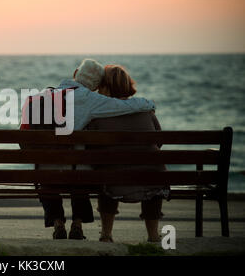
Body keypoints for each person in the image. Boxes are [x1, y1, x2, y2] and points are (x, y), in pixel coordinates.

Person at [21, 59, 157, 239]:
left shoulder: (39, 97)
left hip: (44, 172)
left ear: (76, 73)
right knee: (81, 167)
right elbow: (123, 106)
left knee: (49, 170)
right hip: (77, 174)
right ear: (96, 86)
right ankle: (77, 223)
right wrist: (149, 104)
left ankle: (57, 222)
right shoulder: (90, 99)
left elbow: (24, 139)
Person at [85, 64, 169, 242]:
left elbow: (91, 149)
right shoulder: (145, 111)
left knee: (106, 174)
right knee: (153, 173)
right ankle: (153, 235)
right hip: (152, 178)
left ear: (105, 87)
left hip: (114, 182)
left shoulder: (99, 115)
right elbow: (159, 140)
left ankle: (106, 234)